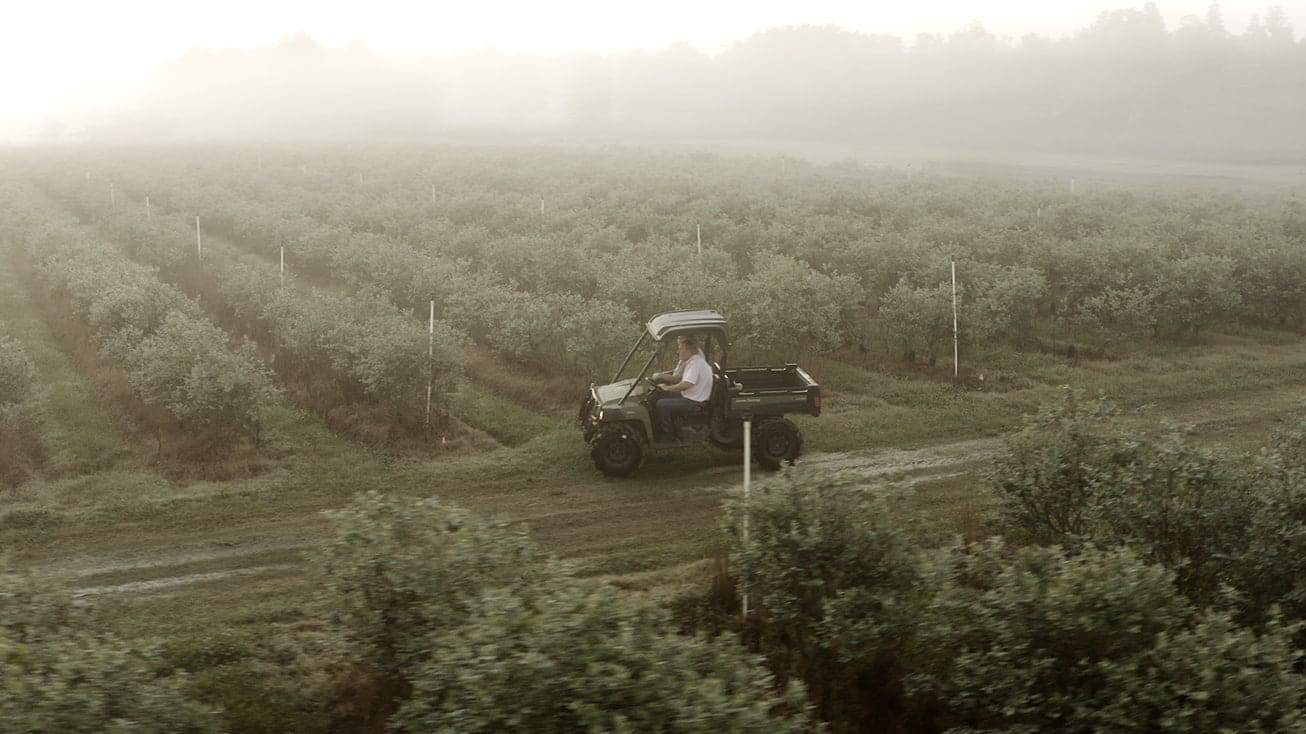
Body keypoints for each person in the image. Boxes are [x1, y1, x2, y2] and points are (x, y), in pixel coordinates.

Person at [651, 334, 713, 438]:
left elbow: (686, 384)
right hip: (690, 395)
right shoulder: (692, 361)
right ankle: (658, 428)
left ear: (688, 350)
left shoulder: (696, 364)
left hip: (694, 401)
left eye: (680, 349)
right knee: (657, 396)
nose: (677, 351)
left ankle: (668, 435)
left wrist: (668, 388)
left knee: (661, 404)